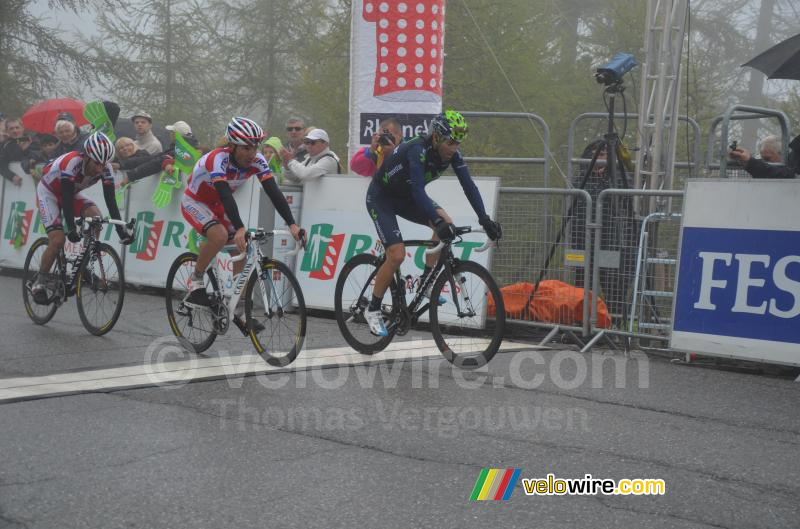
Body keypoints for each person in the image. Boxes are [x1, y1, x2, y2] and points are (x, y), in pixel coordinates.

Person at [363, 110, 503, 336]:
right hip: (383, 199)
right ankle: (373, 308)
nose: (454, 148)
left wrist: (485, 219)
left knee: (446, 223)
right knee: (396, 255)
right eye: (450, 142)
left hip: (407, 197)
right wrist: (436, 221)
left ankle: (425, 283)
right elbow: (419, 190)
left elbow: (469, 186)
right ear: (437, 137)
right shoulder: (417, 149)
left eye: (458, 143)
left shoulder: (452, 154)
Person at [180, 117, 303, 334]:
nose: (252, 153)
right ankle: (196, 280)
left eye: (255, 147)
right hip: (196, 201)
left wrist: (292, 224)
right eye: (246, 147)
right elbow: (226, 195)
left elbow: (274, 192)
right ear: (233, 146)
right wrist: (239, 226)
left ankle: (238, 310)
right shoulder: (218, 159)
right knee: (218, 236)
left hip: (217, 204)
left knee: (243, 247)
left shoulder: (257, 161)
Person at [30, 132, 134, 303]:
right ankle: (39, 283)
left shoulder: (106, 168)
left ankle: (83, 265)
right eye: (96, 163)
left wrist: (121, 231)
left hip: (71, 194)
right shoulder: (71, 163)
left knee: (96, 218)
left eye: (104, 164)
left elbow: (111, 202)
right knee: (57, 240)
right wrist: (70, 227)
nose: (100, 169)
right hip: (49, 193)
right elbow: (66, 198)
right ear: (86, 157)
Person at [729, 134, 800, 179]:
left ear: (782, 154)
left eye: (767, 158)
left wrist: (750, 161)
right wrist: (743, 160)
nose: (765, 163)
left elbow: (784, 174)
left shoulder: (792, 163)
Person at [0, 118, 40, 185]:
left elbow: (39, 154)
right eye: (11, 128)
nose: (15, 131)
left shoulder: (32, 140)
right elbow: (1, 164)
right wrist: (11, 176)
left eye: (17, 127)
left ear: (22, 128)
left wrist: (26, 151)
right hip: (14, 185)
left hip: (35, 181)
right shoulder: (4, 145)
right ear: (7, 131)